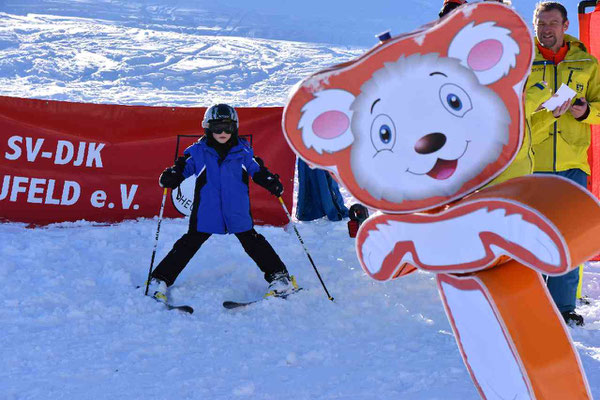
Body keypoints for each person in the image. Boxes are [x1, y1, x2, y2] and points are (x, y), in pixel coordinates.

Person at [147, 104, 298, 303]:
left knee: (253, 242)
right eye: (217, 127)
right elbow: (184, 167)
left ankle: (280, 278)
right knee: (188, 244)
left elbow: (256, 169)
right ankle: (159, 279)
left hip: (237, 211)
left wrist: (268, 180)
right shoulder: (199, 153)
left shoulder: (243, 152)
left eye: (228, 127)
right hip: (206, 212)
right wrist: (173, 175)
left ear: (235, 127)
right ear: (208, 127)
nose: (223, 132)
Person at [527, 1, 600, 326]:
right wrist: (546, 114)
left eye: (553, 23)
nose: (547, 29)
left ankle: (564, 306)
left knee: (569, 237)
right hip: (533, 165)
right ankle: (532, 302)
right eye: (542, 23)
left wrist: (586, 112)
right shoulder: (522, 62)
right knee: (532, 236)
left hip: (573, 164)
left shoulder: (587, 61)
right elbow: (513, 112)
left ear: (565, 25)